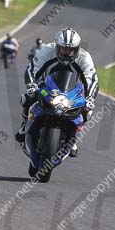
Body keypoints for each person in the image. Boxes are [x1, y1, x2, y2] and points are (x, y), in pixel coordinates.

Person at [15, 28, 98, 157]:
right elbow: (32, 69)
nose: (67, 53)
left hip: (72, 92)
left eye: (71, 50)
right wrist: (32, 85)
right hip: (47, 86)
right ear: (57, 46)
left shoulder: (84, 57)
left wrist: (90, 98)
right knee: (27, 97)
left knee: (88, 111)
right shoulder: (48, 50)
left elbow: (92, 79)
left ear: (77, 49)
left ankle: (73, 137)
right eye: (64, 49)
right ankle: (24, 124)